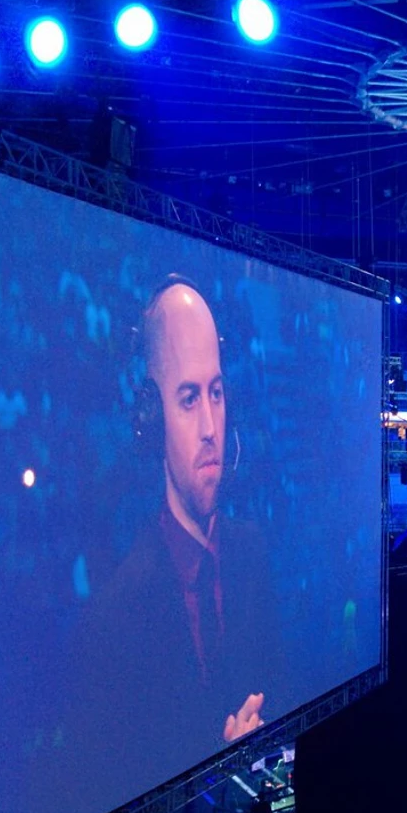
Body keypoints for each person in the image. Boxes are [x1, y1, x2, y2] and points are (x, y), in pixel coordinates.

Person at [82, 278, 270, 773]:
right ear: (151, 418)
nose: (210, 427)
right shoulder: (116, 614)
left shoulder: (255, 555)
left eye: (216, 393)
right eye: (189, 399)